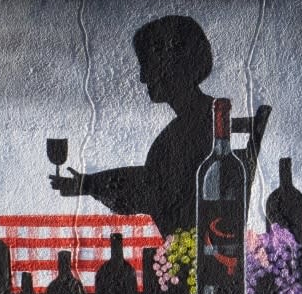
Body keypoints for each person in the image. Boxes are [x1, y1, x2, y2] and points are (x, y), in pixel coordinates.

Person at [51, 16, 218, 239]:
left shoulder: (196, 124)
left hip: (186, 259)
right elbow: (151, 182)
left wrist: (90, 185)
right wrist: (89, 184)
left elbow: (153, 190)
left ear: (171, 67)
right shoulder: (201, 118)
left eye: (146, 65)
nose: (141, 78)